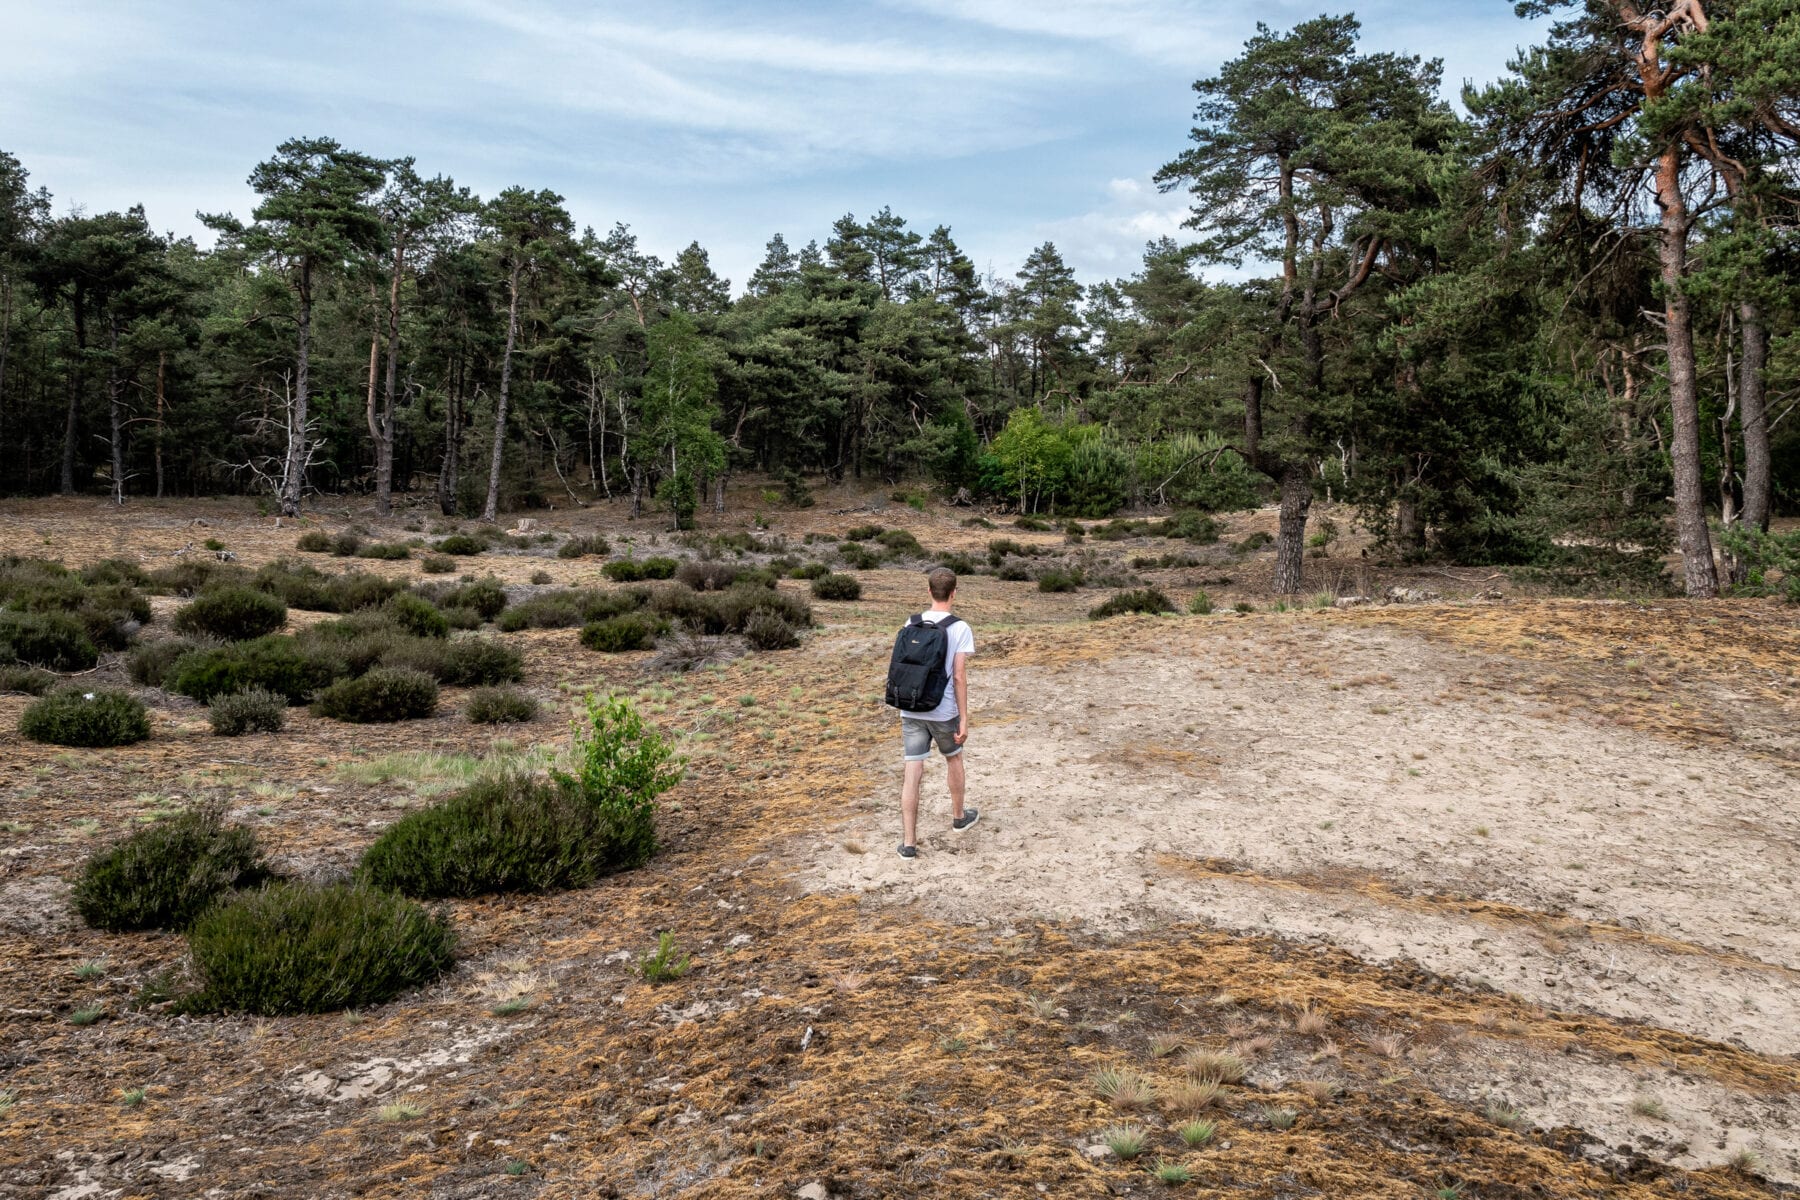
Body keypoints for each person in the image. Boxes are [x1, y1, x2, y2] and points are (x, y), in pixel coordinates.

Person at [894, 567, 977, 857]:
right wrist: (964, 719)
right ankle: (958, 817)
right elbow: (958, 676)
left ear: (929, 592)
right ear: (954, 593)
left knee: (912, 771)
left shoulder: (911, 621)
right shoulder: (960, 627)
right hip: (943, 711)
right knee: (953, 758)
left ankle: (908, 843)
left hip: (911, 708)